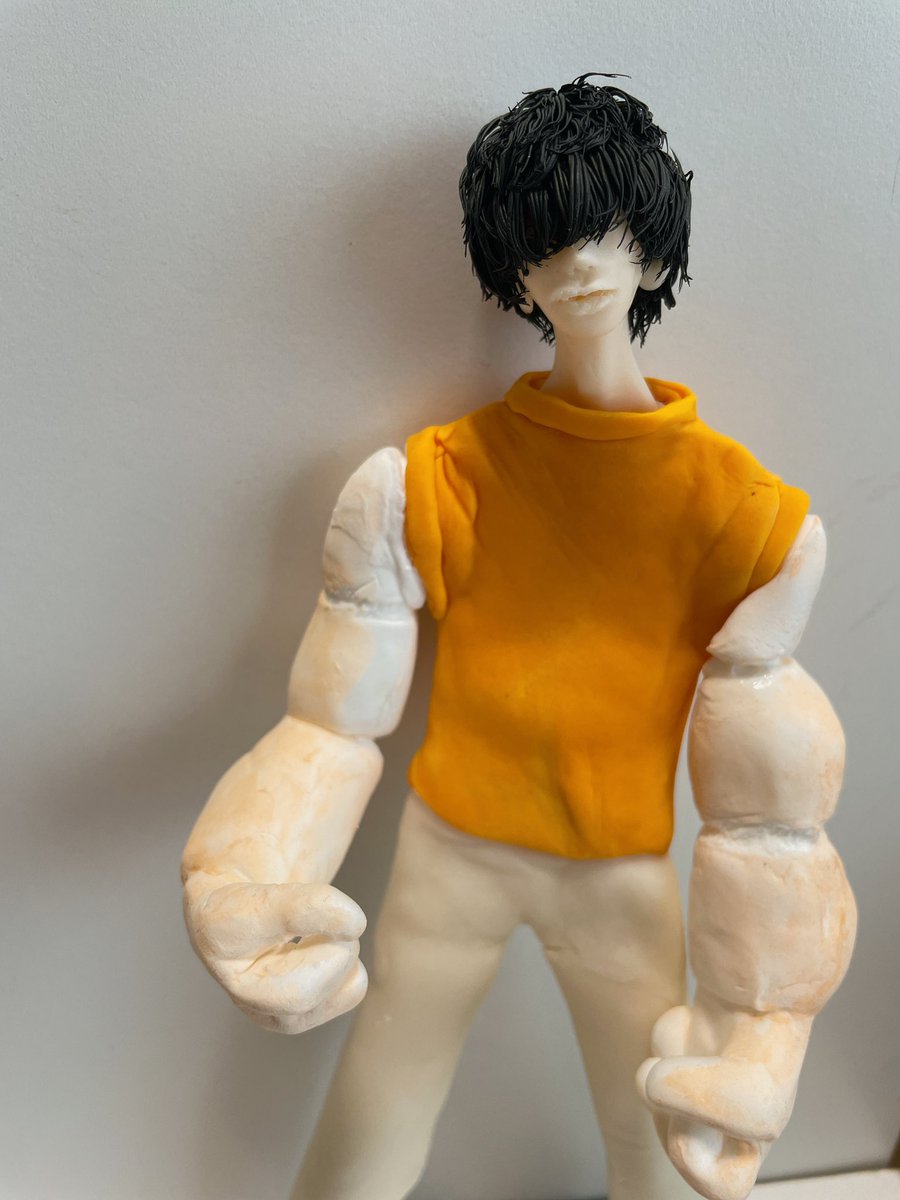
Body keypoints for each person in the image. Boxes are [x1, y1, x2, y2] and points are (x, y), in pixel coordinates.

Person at [182, 76, 856, 1200]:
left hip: (620, 874)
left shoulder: (748, 520)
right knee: (375, 1110)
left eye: (604, 226)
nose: (576, 261)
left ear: (654, 249)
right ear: (515, 275)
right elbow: (330, 719)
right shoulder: (427, 482)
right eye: (543, 240)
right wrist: (247, 866)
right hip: (451, 853)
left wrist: (763, 1023)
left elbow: (770, 807)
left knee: (665, 1134)